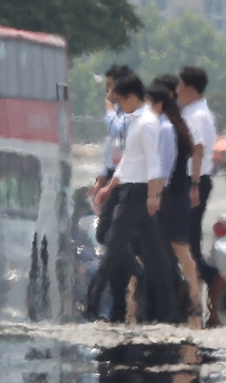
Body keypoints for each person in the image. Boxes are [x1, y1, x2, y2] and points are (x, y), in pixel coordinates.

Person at [86, 72, 173, 323]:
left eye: (121, 101)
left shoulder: (147, 123)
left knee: (112, 248)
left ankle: (91, 303)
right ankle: (169, 305)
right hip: (132, 189)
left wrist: (153, 194)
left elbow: (153, 162)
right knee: (155, 253)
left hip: (138, 193)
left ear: (132, 97)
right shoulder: (136, 120)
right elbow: (128, 161)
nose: (119, 107)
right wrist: (109, 187)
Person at [86, 64, 143, 323]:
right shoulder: (124, 114)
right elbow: (111, 150)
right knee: (113, 239)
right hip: (114, 175)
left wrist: (109, 106)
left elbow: (115, 131)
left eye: (111, 87)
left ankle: (99, 298)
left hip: (127, 179)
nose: (108, 93)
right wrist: (101, 179)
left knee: (111, 237)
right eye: (107, 88)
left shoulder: (130, 116)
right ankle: (119, 303)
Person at [145, 83, 202, 329]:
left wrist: (156, 194)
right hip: (173, 194)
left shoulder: (167, 129)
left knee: (180, 248)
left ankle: (195, 298)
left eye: (148, 103)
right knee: (174, 248)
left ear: (158, 104)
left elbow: (164, 167)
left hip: (172, 195)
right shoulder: (171, 126)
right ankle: (185, 298)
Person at [176, 65, 226, 327]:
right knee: (188, 240)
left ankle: (209, 281)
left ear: (190, 88)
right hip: (193, 180)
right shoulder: (194, 112)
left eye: (180, 85)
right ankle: (201, 294)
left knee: (189, 241)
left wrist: (193, 185)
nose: (177, 91)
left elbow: (197, 150)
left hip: (194, 181)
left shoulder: (197, 115)